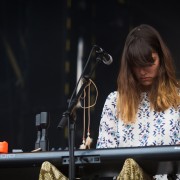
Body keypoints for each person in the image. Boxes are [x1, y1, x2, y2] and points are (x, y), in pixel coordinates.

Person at [96, 24, 180, 179]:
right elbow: (104, 160)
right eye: (137, 65)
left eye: (150, 63)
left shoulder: (178, 99)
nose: (143, 71)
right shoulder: (114, 102)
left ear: (161, 59)